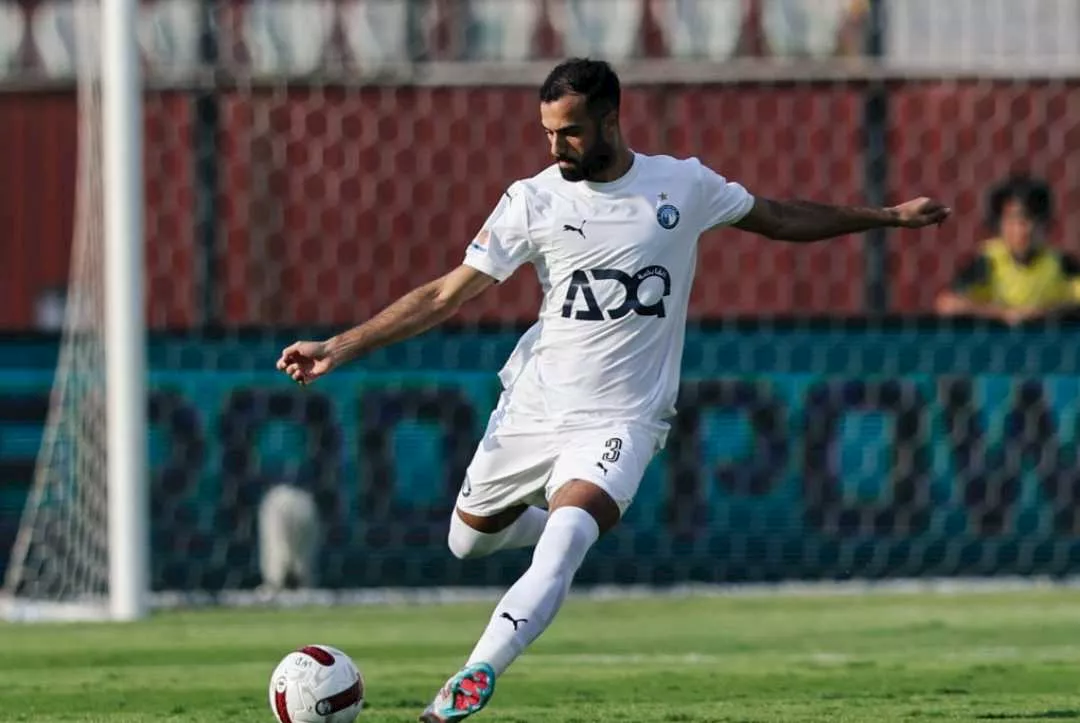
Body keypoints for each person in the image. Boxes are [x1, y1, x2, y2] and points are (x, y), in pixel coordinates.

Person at [276, 58, 949, 722]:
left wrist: (887, 216)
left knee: (567, 540)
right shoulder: (533, 199)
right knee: (466, 541)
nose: (556, 147)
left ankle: (468, 681)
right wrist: (339, 346)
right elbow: (444, 295)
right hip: (534, 408)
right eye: (547, 133)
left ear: (610, 119)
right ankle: (551, 534)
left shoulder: (682, 185)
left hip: (624, 418)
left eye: (569, 131)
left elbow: (779, 216)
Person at [936, 174, 1080, 325]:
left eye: (1030, 219)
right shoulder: (987, 261)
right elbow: (947, 304)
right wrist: (1003, 314)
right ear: (999, 223)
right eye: (1012, 219)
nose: (1021, 230)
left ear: (1044, 223)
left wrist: (1040, 314)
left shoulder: (1060, 263)